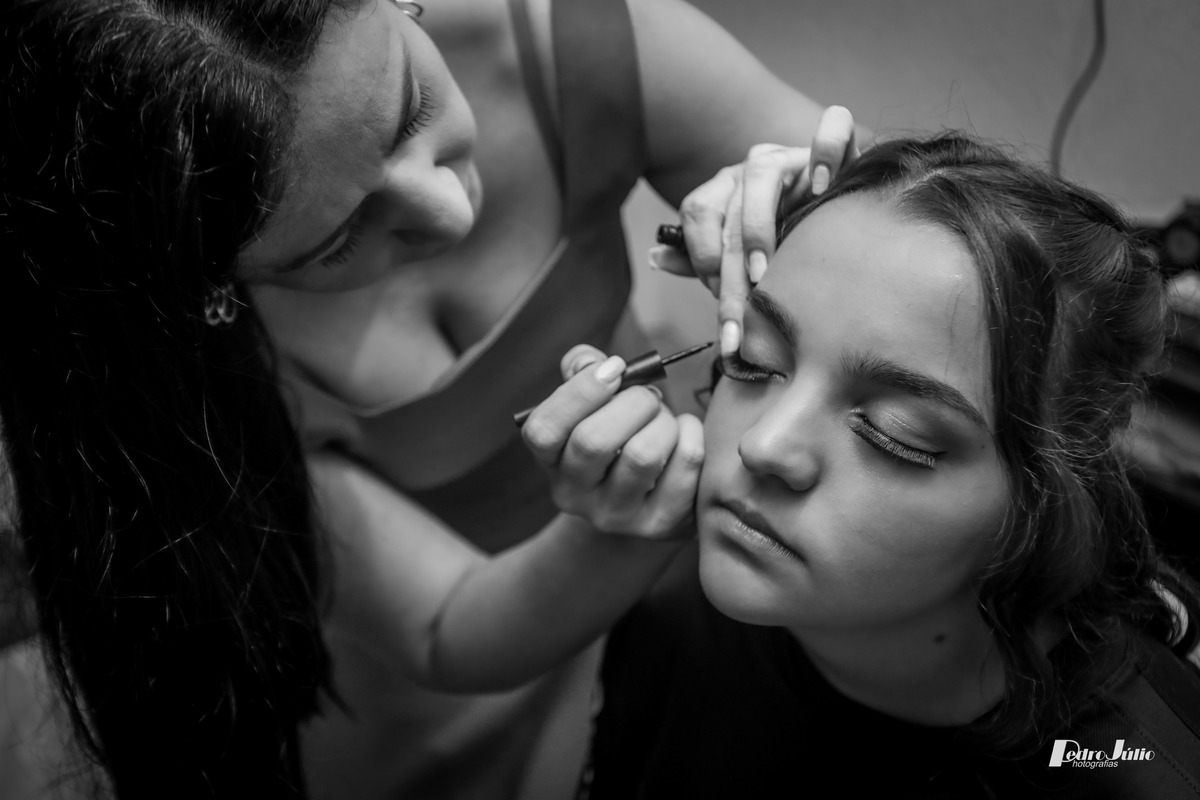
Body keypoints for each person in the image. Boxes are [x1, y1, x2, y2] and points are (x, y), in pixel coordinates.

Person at [0, 0, 860, 798]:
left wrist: (817, 206)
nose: (449, 211)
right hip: (439, 715)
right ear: (215, 281)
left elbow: (921, 258)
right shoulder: (191, 364)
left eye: (413, 110)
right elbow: (444, 625)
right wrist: (613, 530)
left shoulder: (571, 35)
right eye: (337, 241)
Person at [530, 133, 1200, 798]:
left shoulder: (1125, 769)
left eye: (893, 433)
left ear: (1044, 504)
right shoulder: (672, 602)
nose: (762, 446)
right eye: (752, 361)